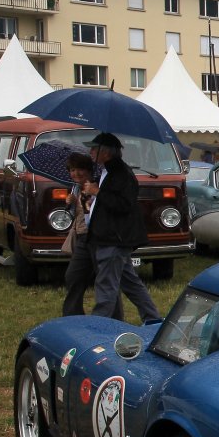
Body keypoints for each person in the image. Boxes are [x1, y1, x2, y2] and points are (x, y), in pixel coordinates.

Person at [83, 133, 160, 324]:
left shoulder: (122, 174)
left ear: (106, 153)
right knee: (130, 283)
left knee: (106, 284)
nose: (90, 151)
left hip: (114, 238)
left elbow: (124, 205)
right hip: (112, 237)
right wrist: (94, 198)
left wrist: (98, 192)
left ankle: (99, 324)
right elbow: (108, 200)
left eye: (94, 148)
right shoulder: (107, 172)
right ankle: (153, 318)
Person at [61, 151, 122, 320]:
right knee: (73, 276)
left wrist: (92, 198)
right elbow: (77, 216)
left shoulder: (96, 187)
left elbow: (104, 210)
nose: (76, 173)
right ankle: (72, 317)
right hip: (82, 238)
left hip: (99, 239)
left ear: (89, 170)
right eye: (72, 170)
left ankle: (114, 319)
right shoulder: (75, 189)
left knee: (106, 280)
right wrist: (72, 203)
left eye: (80, 169)